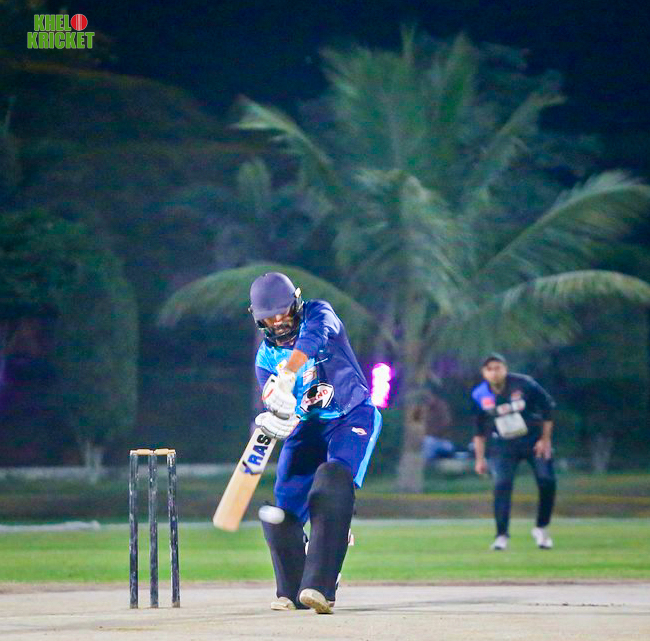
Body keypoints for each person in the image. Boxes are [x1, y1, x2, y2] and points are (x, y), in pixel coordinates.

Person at [249, 271, 382, 614]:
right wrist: (276, 413)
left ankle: (322, 585)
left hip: (351, 415)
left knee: (332, 480)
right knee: (280, 514)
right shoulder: (264, 357)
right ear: (258, 318)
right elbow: (273, 397)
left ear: (295, 302)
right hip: (307, 427)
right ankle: (292, 590)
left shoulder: (319, 313)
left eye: (282, 312)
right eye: (269, 317)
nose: (278, 321)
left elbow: (311, 340)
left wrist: (288, 374)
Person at [471, 353, 556, 551]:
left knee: (547, 480)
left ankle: (541, 527)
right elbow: (478, 429)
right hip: (503, 445)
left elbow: (548, 408)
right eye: (489, 369)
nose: (494, 373)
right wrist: (479, 458)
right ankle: (501, 535)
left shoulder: (524, 385)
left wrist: (545, 440)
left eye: (497, 368)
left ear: (505, 369)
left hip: (533, 440)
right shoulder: (479, 394)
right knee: (502, 484)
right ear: (484, 373)